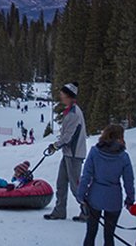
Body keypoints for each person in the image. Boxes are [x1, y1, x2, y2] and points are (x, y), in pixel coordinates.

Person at [77, 125, 135, 246]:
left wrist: (81, 195)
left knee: (91, 232)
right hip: (114, 199)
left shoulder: (94, 152)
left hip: (94, 197)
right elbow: (128, 181)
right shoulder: (124, 156)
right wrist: (130, 199)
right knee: (109, 235)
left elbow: (86, 175)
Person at [45, 82, 89, 222]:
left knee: (76, 186)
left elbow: (68, 137)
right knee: (61, 183)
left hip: (74, 154)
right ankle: (59, 211)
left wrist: (55, 146)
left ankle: (87, 211)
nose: (61, 96)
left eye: (63, 94)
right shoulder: (70, 111)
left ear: (69, 96)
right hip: (68, 153)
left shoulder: (74, 114)